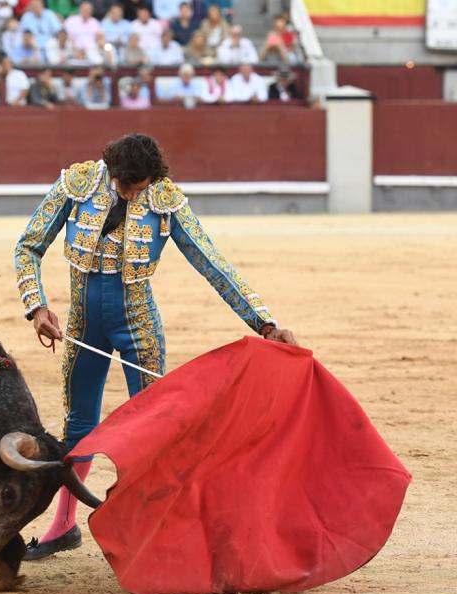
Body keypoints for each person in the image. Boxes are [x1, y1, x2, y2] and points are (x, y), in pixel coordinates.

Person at [15, 135, 298, 560]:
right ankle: (63, 525)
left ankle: (151, 530)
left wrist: (264, 321)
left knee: (153, 431)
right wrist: (36, 306)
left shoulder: (165, 199)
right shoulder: (78, 183)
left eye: (141, 187)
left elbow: (212, 262)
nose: (134, 195)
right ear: (113, 174)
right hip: (82, 325)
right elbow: (28, 245)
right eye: (129, 187)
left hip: (138, 325)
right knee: (78, 427)